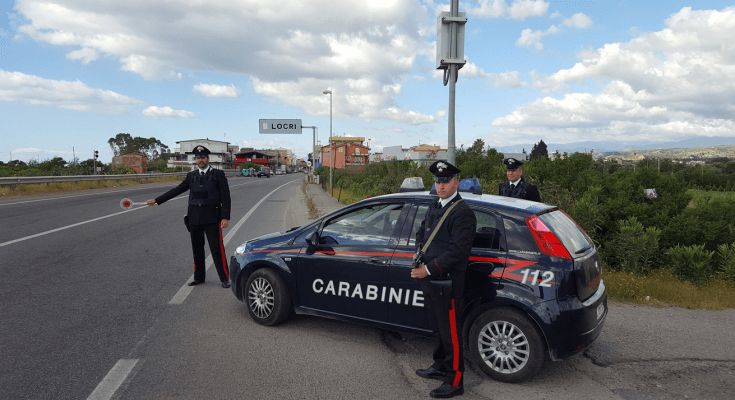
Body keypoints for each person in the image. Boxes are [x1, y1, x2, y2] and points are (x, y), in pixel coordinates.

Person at [410, 161, 476, 399]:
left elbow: (457, 253)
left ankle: (455, 380)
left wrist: (427, 270)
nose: (440, 185)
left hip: (447, 282)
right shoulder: (434, 205)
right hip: (431, 282)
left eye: (445, 181)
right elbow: (422, 232)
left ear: (456, 182)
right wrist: (419, 251)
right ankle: (440, 366)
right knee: (438, 329)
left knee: (451, 335)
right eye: (437, 181)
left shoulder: (462, 212)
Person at [146, 145, 232, 288]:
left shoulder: (218, 174)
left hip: (212, 218)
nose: (200, 160)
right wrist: (157, 200)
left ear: (208, 159)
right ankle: (199, 277)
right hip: (194, 218)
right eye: (198, 158)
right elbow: (177, 190)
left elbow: (226, 197)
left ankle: (224, 278)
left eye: (203, 157)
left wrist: (225, 217)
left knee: (217, 249)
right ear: (195, 160)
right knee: (197, 249)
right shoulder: (191, 176)